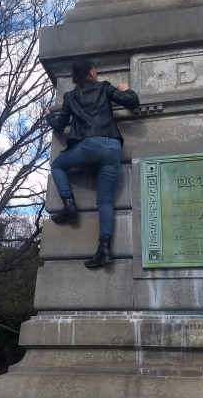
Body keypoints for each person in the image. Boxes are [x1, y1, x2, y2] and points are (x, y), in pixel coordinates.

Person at [45, 57, 140, 268]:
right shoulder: (105, 88)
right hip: (113, 147)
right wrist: (125, 89)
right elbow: (133, 102)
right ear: (91, 72)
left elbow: (59, 127)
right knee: (105, 201)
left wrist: (49, 117)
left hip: (89, 146)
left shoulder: (70, 97)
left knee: (58, 165)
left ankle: (69, 206)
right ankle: (104, 248)